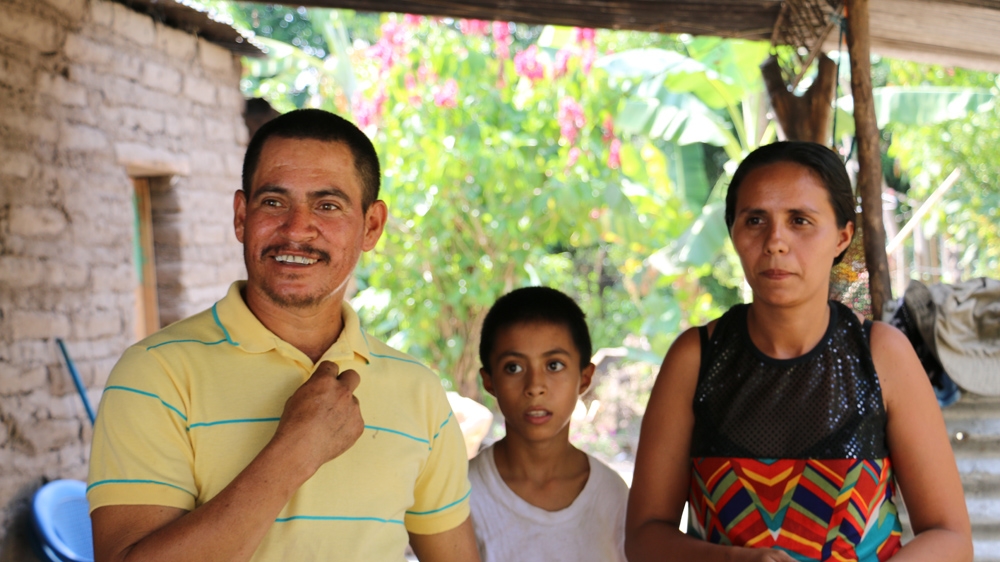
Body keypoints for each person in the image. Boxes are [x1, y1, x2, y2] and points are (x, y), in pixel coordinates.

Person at [87, 109, 479, 562]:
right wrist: (293, 454)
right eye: (274, 202)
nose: (296, 229)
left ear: (371, 226)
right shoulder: (155, 375)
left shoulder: (419, 391)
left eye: (327, 206)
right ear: (241, 215)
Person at [625, 141, 972, 562]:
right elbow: (645, 538)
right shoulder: (697, 359)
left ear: (843, 236)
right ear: (733, 231)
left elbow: (951, 538)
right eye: (755, 220)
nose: (775, 242)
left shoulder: (881, 356)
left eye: (800, 221)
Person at [469, 286, 629, 562]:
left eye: (554, 365)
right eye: (513, 367)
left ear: (585, 378)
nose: (535, 387)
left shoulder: (612, 496)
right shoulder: (463, 493)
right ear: (489, 381)